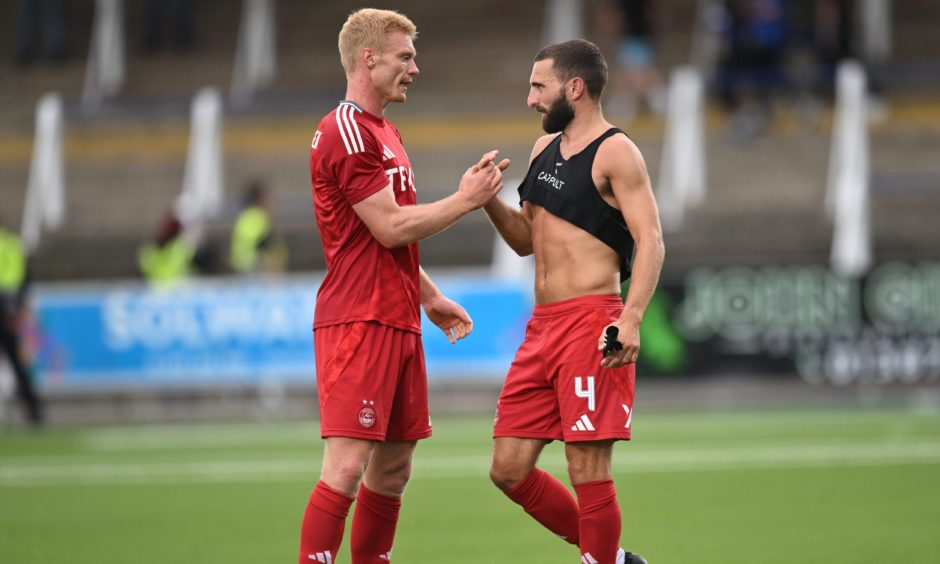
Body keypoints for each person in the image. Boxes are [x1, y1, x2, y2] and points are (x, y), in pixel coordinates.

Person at [299, 8, 509, 563]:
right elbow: (389, 226)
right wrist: (467, 200)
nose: (415, 68)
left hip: (397, 317)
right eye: (406, 56)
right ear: (369, 59)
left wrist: (430, 296)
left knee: (392, 469)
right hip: (358, 319)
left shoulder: (387, 132)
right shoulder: (343, 129)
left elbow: (385, 240)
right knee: (347, 466)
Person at [483, 39, 664, 564]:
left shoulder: (616, 151)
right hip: (541, 328)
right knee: (508, 468)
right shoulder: (542, 152)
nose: (531, 98)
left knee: (588, 470)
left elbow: (651, 239)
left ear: (575, 88)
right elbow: (524, 241)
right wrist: (487, 199)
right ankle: (611, 558)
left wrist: (631, 318)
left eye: (539, 86)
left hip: (592, 324)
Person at [0, 220, 44, 426]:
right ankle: (34, 409)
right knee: (17, 363)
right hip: (10, 308)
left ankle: (33, 408)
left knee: (16, 362)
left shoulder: (11, 244)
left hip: (6, 307)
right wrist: (19, 307)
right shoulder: (13, 243)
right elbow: (25, 278)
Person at [229, 180, 288, 275]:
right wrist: (274, 265)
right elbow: (266, 244)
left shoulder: (243, 217)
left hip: (242, 269)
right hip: (258, 271)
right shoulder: (260, 217)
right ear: (260, 199)